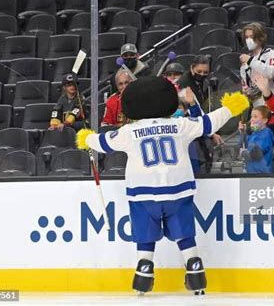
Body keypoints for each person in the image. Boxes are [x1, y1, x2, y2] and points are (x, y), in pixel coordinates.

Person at [76, 77, 249, 295]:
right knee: (184, 233)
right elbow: (209, 123)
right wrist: (231, 107)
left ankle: (143, 273)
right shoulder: (181, 124)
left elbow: (103, 143)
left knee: (145, 234)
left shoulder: (129, 132)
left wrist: (86, 138)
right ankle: (195, 271)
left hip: (143, 193)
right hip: (178, 189)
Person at [240, 22, 274, 105]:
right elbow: (247, 85)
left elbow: (270, 73)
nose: (248, 40)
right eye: (246, 37)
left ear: (260, 38)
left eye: (252, 37)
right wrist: (246, 91)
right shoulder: (245, 61)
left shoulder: (271, 53)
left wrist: (251, 60)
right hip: (258, 109)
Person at [238, 106, 274, 173]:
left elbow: (256, 154)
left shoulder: (266, 134)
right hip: (252, 173)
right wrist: (243, 132)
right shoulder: (254, 133)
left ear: (265, 120)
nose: (251, 119)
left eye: (255, 117)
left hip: (262, 175)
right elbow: (242, 145)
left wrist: (243, 153)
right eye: (251, 117)